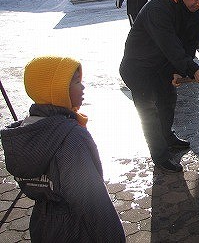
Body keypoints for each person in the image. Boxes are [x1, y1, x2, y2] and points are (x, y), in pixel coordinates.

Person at [0, 56, 125, 242]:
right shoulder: (71, 138)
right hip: (78, 230)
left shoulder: (26, 132)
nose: (83, 87)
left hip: (43, 226)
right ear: (57, 90)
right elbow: (92, 204)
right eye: (76, 82)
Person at [119, 0, 199, 173]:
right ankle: (160, 156)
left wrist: (180, 71)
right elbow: (169, 44)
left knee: (167, 101)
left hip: (162, 67)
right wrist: (192, 69)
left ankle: (167, 137)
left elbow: (190, 43)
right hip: (138, 68)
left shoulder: (195, 12)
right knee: (148, 111)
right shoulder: (159, 8)